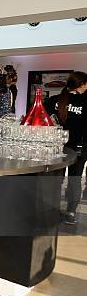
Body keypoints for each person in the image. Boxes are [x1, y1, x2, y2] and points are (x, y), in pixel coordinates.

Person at [45, 71, 87, 225]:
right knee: (73, 180)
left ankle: (54, 209)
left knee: (58, 179)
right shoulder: (62, 100)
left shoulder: (56, 99)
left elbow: (40, 116)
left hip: (62, 147)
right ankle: (70, 212)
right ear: (82, 84)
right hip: (76, 148)